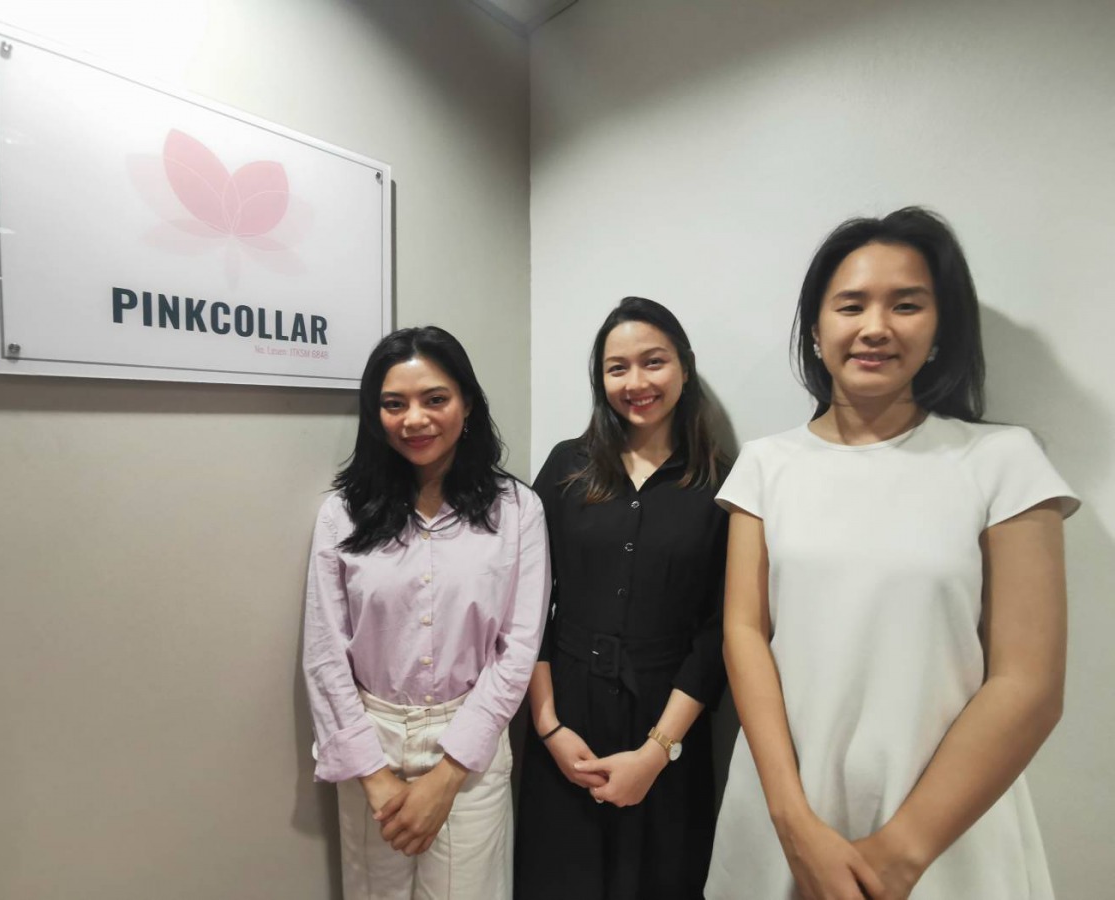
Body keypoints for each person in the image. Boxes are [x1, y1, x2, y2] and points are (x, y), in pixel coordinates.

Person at [709, 207, 1079, 900]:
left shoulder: (1003, 462)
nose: (876, 326)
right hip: (784, 820)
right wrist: (793, 823)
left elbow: (1029, 684)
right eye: (851, 305)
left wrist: (898, 857)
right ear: (816, 331)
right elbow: (744, 634)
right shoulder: (765, 466)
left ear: (940, 330)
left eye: (906, 305)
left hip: (946, 836)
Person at [302, 326, 550, 900]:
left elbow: (517, 651)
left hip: (470, 741)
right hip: (371, 736)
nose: (415, 419)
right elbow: (324, 652)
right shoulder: (343, 515)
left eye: (435, 399)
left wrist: (448, 774)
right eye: (395, 404)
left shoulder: (517, 510)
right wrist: (373, 773)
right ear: (375, 414)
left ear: (467, 403)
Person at [514, 297, 729, 899]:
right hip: (567, 712)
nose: (636, 382)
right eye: (617, 368)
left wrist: (656, 753)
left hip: (667, 724)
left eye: (653, 362)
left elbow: (719, 632)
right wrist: (549, 726)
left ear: (684, 368)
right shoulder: (567, 466)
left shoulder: (721, 482)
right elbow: (528, 603)